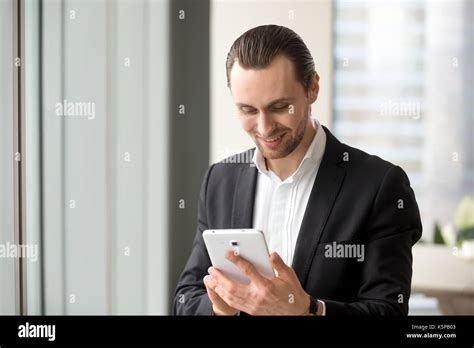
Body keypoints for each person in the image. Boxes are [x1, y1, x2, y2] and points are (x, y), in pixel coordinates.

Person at [173, 24, 422, 316]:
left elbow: (389, 311)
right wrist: (220, 309)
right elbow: (185, 300)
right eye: (248, 110)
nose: (264, 128)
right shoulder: (219, 180)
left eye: (280, 107)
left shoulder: (380, 186)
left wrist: (308, 309)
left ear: (312, 87)